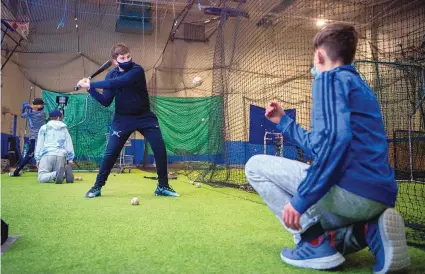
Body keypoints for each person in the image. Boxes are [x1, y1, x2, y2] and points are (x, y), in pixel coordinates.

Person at [245, 23, 410, 273]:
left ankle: (314, 242)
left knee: (255, 166)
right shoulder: (362, 88)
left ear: (319, 56)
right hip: (379, 196)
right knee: (324, 218)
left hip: (350, 192)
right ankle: (367, 229)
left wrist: (302, 198)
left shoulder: (329, 80)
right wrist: (283, 121)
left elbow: (335, 142)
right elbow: (321, 145)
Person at [77, 43, 180, 198]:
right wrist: (91, 89)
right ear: (115, 61)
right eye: (122, 58)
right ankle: (97, 187)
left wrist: (91, 83)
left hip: (145, 117)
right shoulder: (110, 75)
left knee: (160, 150)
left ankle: (163, 186)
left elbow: (120, 82)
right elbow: (106, 101)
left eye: (128, 56)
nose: (127, 60)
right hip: (122, 119)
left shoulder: (137, 70)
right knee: (110, 154)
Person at [35, 110, 75, 184]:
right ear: (59, 117)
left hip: (47, 155)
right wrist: (70, 159)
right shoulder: (64, 129)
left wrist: (37, 159)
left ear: (50, 117)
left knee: (41, 177)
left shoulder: (44, 128)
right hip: (61, 155)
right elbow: (69, 143)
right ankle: (64, 174)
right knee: (57, 177)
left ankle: (57, 174)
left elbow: (39, 144)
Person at [9, 98, 46, 177]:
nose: (43, 106)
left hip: (41, 138)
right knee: (30, 154)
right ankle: (17, 171)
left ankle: (17, 171)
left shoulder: (42, 113)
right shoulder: (31, 112)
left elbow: (29, 114)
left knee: (36, 154)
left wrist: (28, 108)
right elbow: (22, 115)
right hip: (33, 138)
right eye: (41, 104)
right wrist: (24, 108)